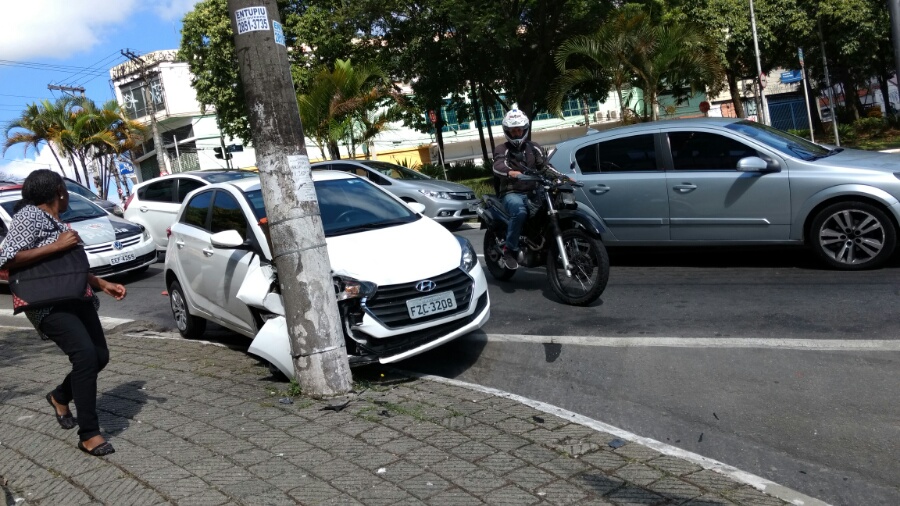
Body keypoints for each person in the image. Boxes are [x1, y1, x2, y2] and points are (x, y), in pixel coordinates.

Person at [0, 169, 126, 457]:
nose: (68, 194)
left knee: (99, 357)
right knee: (84, 356)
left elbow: (65, 266)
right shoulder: (29, 216)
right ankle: (89, 434)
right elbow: (5, 258)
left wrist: (102, 283)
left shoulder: (55, 221)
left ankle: (59, 396)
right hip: (47, 303)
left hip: (75, 296)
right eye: (66, 189)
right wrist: (58, 245)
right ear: (59, 191)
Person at [492, 108, 553, 269]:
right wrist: (510, 172)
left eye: (519, 129)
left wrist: (563, 177)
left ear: (525, 129)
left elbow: (545, 166)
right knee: (520, 211)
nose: (517, 133)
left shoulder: (533, 147)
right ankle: (509, 250)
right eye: (513, 130)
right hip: (512, 193)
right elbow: (498, 165)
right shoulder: (502, 149)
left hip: (533, 192)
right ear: (508, 131)